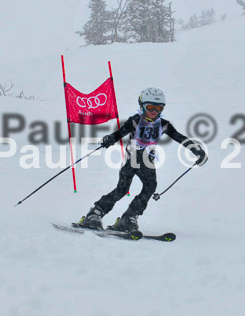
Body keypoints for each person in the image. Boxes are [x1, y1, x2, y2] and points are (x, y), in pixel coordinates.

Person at [76, 87, 207, 232]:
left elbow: (179, 137)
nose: (154, 111)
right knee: (122, 189)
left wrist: (195, 149)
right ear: (142, 106)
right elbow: (120, 133)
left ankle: (129, 217)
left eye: (159, 108)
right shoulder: (135, 121)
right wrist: (110, 139)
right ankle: (95, 213)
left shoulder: (164, 125)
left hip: (147, 162)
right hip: (131, 159)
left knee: (150, 187)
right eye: (150, 107)